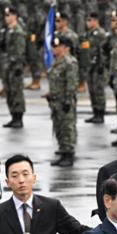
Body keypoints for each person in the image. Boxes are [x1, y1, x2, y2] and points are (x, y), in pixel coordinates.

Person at [47, 36, 78, 168]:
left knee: (67, 127)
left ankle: (69, 154)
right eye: (53, 46)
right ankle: (63, 152)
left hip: (64, 101)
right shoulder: (57, 61)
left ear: (66, 48)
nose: (54, 49)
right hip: (55, 101)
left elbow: (71, 83)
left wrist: (67, 100)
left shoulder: (69, 62)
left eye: (57, 46)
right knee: (59, 127)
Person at [1, 6, 26, 129]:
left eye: (9, 15)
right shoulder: (7, 30)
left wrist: (18, 65)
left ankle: (18, 117)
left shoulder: (18, 31)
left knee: (16, 91)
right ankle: (13, 116)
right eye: (5, 16)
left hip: (15, 66)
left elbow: (20, 51)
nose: (6, 18)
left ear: (15, 16)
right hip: (8, 65)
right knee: (9, 91)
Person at [84, 12, 107, 124]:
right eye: (87, 20)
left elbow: (102, 50)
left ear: (95, 21)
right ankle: (95, 112)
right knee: (92, 89)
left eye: (90, 20)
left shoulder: (100, 34)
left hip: (98, 66)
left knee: (98, 90)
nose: (87, 23)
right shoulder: (89, 34)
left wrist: (101, 65)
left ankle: (100, 113)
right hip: (90, 66)